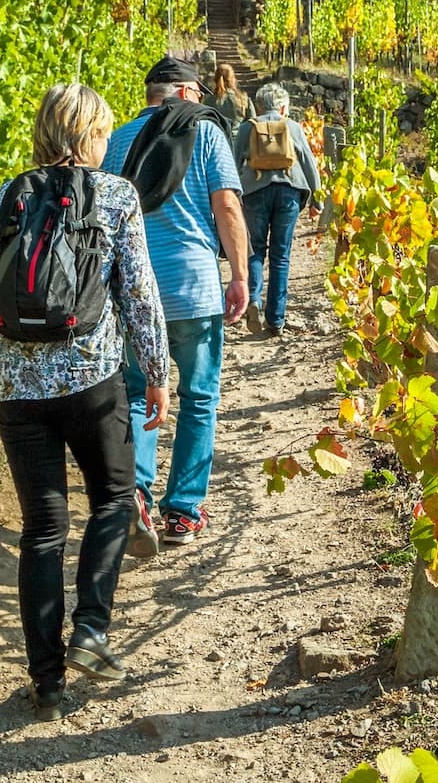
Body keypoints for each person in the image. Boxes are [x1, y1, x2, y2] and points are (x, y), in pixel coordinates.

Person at [0, 84, 171, 721]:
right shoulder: (116, 196)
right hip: (93, 382)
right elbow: (139, 295)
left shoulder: (8, 195)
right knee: (113, 497)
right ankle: (92, 630)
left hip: (18, 390)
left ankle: (46, 682)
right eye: (100, 131)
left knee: (42, 532)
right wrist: (157, 372)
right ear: (89, 135)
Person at [104, 57, 250, 548]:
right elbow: (227, 205)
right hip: (193, 285)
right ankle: (184, 512)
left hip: (135, 291)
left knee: (138, 390)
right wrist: (240, 274)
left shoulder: (118, 140)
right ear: (187, 93)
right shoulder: (206, 133)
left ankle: (136, 495)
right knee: (200, 396)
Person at [231, 83, 322, 338]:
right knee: (281, 256)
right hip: (289, 191)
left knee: (255, 250)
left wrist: (231, 195)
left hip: (255, 191)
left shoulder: (248, 127)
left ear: (258, 106)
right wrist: (317, 197)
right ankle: (276, 320)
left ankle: (254, 300)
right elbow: (308, 162)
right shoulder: (292, 126)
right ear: (283, 107)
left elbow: (234, 160)